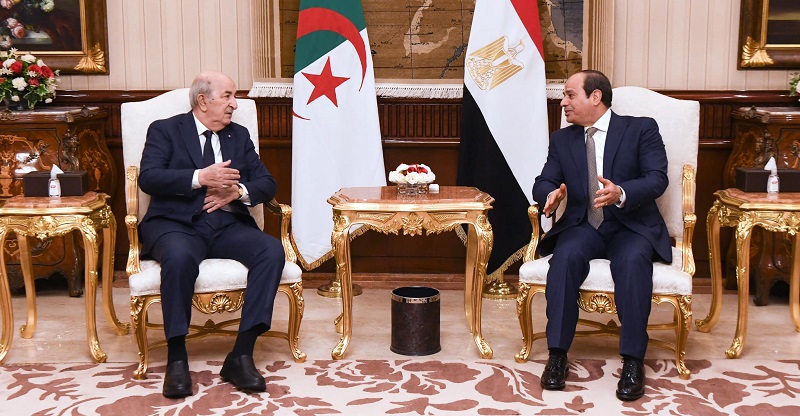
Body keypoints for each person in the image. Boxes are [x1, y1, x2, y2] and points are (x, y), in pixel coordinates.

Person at [138, 71, 284, 398]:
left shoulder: (238, 136)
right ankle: (177, 358)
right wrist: (199, 177)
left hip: (226, 225)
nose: (235, 104)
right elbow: (149, 178)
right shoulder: (165, 130)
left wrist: (238, 191)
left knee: (271, 251)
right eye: (228, 96)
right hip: (176, 224)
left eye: (235, 97)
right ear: (203, 101)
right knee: (178, 257)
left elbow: (267, 182)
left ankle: (241, 355)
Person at [532, 70, 671, 401]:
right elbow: (544, 180)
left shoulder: (641, 129)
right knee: (564, 258)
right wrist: (551, 194)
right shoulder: (563, 139)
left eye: (570, 95)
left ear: (595, 97)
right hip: (585, 226)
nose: (563, 102)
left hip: (631, 226)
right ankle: (557, 355)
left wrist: (621, 191)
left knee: (633, 262)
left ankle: (633, 361)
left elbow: (657, 178)